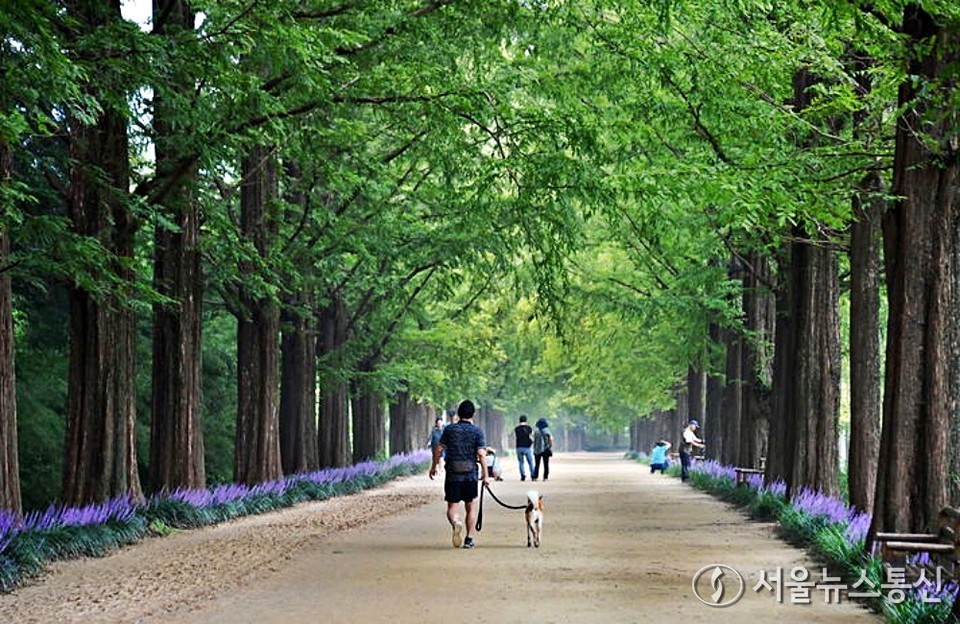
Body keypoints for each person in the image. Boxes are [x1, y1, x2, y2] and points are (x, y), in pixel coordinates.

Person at [429, 400, 489, 549]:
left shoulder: (449, 430)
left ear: (458, 414)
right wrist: (486, 475)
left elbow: (438, 450)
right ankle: (469, 539)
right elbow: (481, 454)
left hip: (453, 473)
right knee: (470, 506)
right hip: (470, 474)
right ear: (473, 414)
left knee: (452, 507)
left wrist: (434, 467)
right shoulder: (477, 431)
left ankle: (456, 522)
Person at [514, 415, 535, 481]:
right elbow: (531, 437)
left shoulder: (516, 429)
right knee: (530, 462)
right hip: (527, 447)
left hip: (519, 447)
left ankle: (523, 475)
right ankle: (533, 475)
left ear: (519, 420)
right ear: (526, 420)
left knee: (521, 462)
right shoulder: (529, 428)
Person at [532, 417, 553, 482]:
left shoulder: (536, 432)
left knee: (537, 464)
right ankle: (545, 477)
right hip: (545, 449)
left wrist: (534, 448)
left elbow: (534, 441)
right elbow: (551, 439)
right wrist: (549, 446)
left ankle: (535, 477)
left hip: (537, 450)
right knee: (546, 464)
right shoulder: (547, 431)